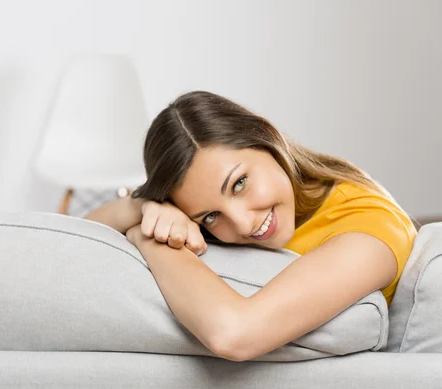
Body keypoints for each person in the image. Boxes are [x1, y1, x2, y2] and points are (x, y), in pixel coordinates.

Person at [84, 90, 417, 362]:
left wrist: (149, 238)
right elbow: (69, 241)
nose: (243, 224)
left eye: (239, 183)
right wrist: (143, 206)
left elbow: (234, 334)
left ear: (267, 138)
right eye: (209, 216)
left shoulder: (369, 228)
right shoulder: (223, 224)